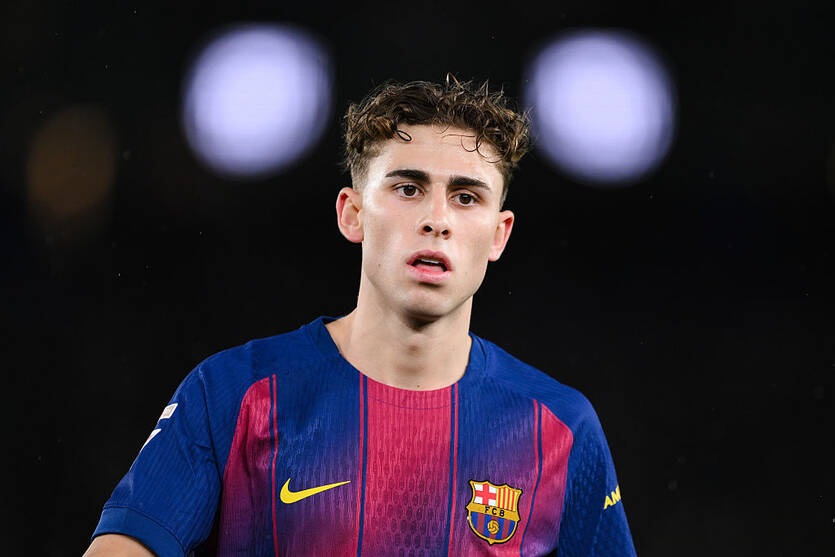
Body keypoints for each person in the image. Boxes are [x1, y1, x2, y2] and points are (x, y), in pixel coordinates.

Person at [84, 74, 637, 556]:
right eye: (408, 188)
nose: (437, 219)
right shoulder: (234, 393)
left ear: (499, 234)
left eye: (466, 197)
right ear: (353, 214)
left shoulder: (560, 429)